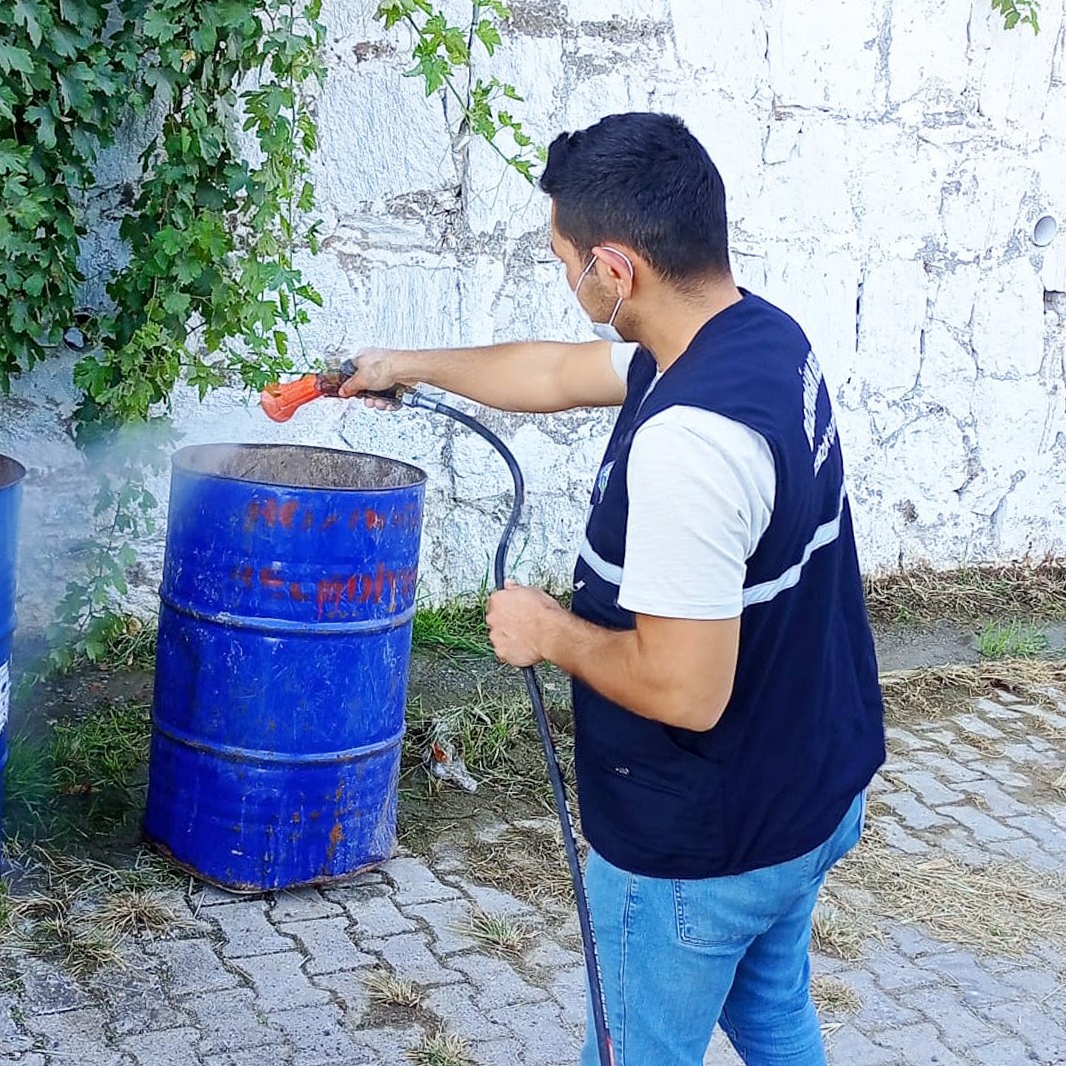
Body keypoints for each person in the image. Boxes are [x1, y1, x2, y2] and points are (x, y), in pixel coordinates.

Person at [342, 111, 886, 1066]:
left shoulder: (691, 445)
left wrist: (552, 631)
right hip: (808, 790)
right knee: (770, 1016)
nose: (568, 281)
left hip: (703, 846)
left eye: (567, 262)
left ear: (617, 268)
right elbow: (555, 371)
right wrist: (406, 366)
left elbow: (686, 690)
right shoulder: (756, 338)